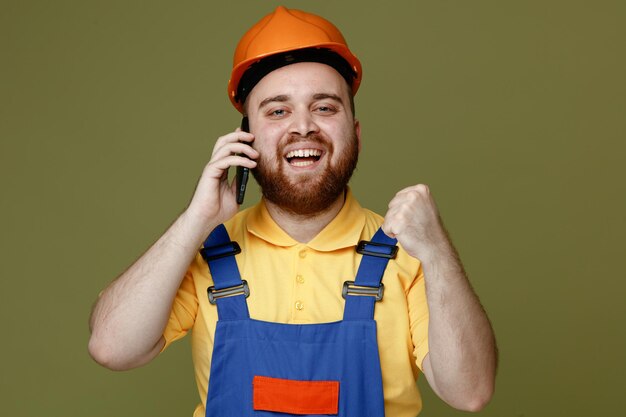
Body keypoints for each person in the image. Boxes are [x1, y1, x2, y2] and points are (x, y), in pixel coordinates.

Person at [88, 6, 497, 416]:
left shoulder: (409, 250)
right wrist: (195, 220)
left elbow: (470, 392)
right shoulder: (206, 249)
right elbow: (111, 348)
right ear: (245, 139)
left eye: (324, 107)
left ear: (354, 134)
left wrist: (438, 250)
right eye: (278, 111)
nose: (303, 127)